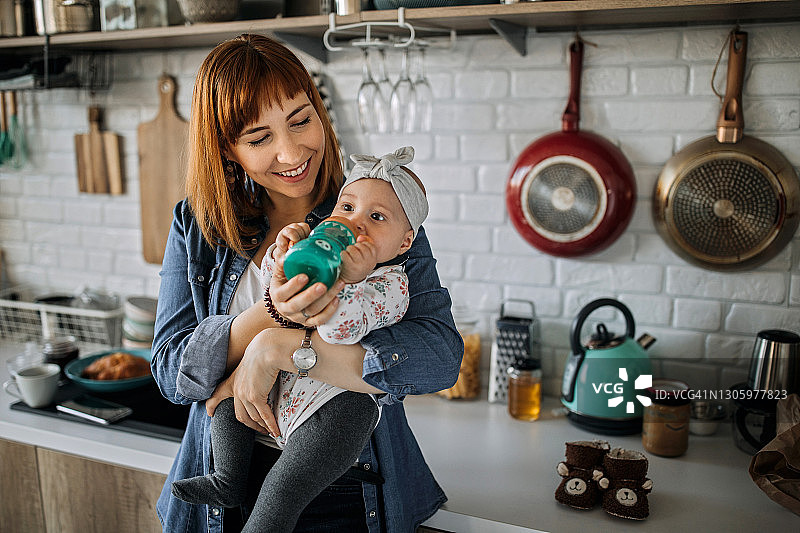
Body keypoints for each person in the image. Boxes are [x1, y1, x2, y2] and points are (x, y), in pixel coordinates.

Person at [150, 33, 463, 533]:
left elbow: (440, 356)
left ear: (320, 111)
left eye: (301, 121)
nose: (291, 151)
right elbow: (170, 371)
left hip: (350, 488)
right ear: (227, 150)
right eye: (259, 138)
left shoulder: (378, 215)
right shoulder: (198, 224)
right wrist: (269, 316)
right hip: (218, 499)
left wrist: (279, 350)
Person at [170, 147, 429, 532]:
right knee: (226, 400)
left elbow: (341, 329)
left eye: (376, 218)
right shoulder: (317, 251)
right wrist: (285, 251)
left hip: (328, 405)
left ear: (405, 243)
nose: (356, 225)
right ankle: (227, 478)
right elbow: (275, 288)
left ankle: (269, 522)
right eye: (346, 209)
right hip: (271, 393)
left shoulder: (390, 285)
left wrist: (350, 280)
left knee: (347, 422)